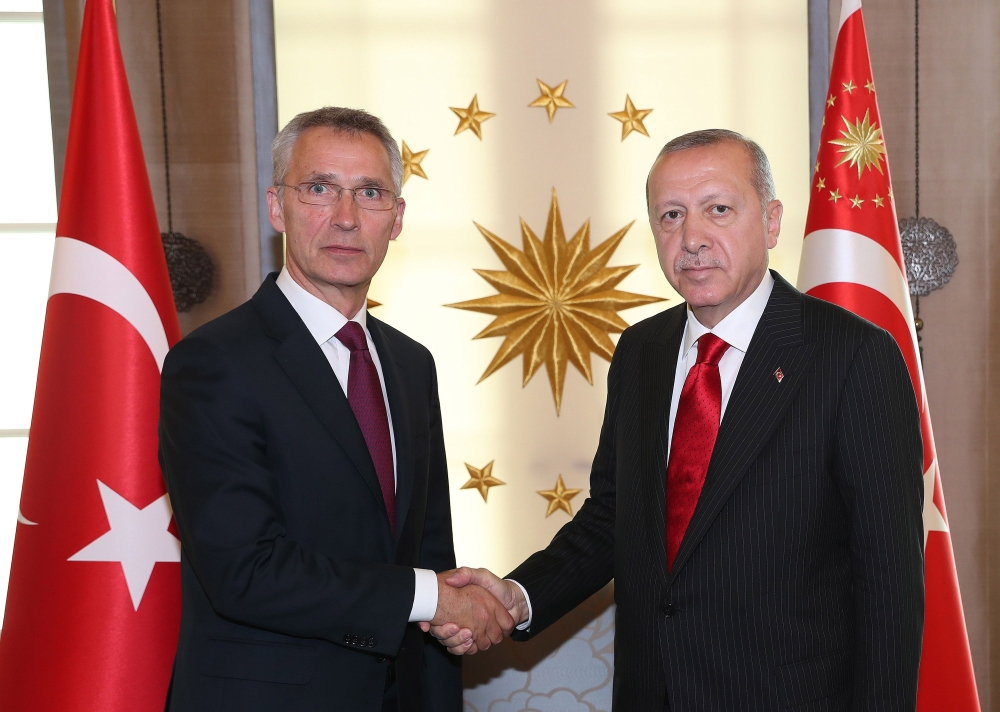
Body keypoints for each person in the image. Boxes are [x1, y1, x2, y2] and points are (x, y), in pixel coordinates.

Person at [430, 129, 925, 710]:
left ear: (770, 222)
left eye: (718, 209)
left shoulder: (852, 356)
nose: (692, 239)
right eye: (670, 216)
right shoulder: (642, 351)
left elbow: (889, 585)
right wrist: (518, 597)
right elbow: (613, 518)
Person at [159, 107, 514, 712]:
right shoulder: (212, 363)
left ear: (396, 218)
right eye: (320, 188)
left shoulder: (410, 365)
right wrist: (431, 597)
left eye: (370, 193)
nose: (346, 218)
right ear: (277, 207)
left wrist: (448, 613)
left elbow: (426, 552)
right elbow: (245, 570)